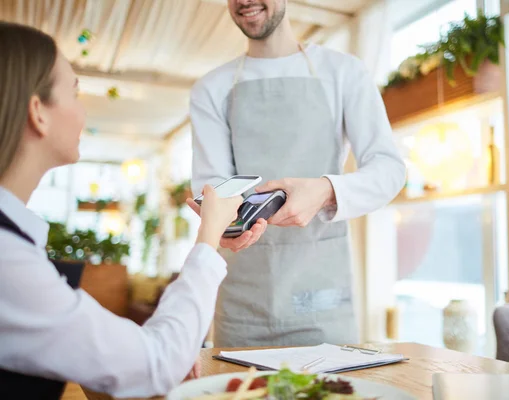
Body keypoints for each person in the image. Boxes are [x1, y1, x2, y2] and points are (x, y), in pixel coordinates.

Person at [0, 22, 243, 399]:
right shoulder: (7, 258)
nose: (83, 112)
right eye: (75, 92)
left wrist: (161, 346)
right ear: (38, 112)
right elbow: (156, 364)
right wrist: (209, 236)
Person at [189, 0, 406, 347]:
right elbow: (213, 186)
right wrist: (219, 225)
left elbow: (390, 169)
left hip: (322, 299)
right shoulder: (210, 89)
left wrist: (325, 190)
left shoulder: (344, 72)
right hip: (241, 305)